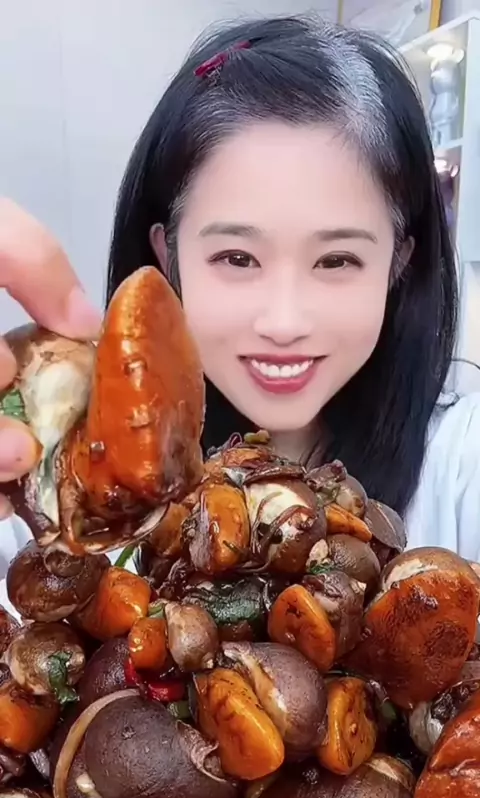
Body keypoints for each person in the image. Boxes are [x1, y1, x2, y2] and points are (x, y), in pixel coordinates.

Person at [0, 15, 479, 584]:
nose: (284, 322)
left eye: (336, 261)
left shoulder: (460, 464)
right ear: (168, 256)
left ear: (398, 261)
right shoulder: (50, 479)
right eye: (236, 258)